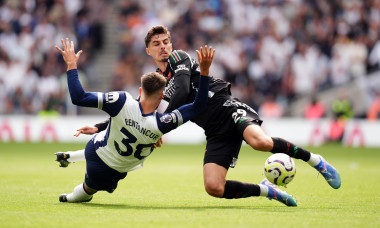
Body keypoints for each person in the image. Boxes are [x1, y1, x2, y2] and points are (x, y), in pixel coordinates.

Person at [60, 25, 342, 206]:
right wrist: (99, 127)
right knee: (213, 187)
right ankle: (268, 190)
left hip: (227, 108)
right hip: (214, 130)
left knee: (260, 143)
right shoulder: (155, 80)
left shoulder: (180, 58)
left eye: (166, 41)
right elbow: (134, 112)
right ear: (148, 50)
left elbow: (182, 90)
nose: (164, 46)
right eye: (157, 43)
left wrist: (158, 127)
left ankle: (316, 161)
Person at [55, 37, 214, 203]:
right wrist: (204, 72)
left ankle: (71, 156)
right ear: (161, 96)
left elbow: (79, 97)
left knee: (112, 134)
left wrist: (71, 65)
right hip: (114, 171)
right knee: (89, 189)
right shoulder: (160, 125)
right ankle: (69, 196)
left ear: (140, 90)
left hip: (95, 151)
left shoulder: (121, 101)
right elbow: (198, 106)